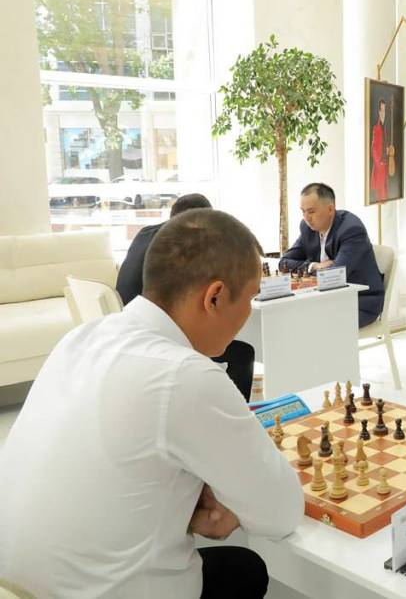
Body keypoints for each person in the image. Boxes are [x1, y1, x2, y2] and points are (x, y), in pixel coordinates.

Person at [0, 209, 304, 598]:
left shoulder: (80, 338)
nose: (247, 313)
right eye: (250, 297)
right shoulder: (184, 375)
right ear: (214, 297)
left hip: (16, 586)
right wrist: (231, 504)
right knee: (247, 570)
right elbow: (281, 513)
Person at [116, 193, 256, 401]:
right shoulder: (180, 250)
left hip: (127, 325)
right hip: (159, 340)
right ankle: (237, 405)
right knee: (243, 353)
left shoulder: (145, 234)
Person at [279, 182, 384, 327]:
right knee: (288, 318)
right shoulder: (307, 228)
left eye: (311, 211)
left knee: (309, 324)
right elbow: (284, 262)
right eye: (303, 211)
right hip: (325, 300)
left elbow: (335, 276)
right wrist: (314, 266)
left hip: (359, 303)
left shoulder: (352, 229)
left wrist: (321, 271)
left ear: (330, 209)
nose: (306, 218)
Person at [370, 99, 389, 202]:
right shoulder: (376, 128)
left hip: (385, 164)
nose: (383, 113)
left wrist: (387, 149)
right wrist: (379, 162)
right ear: (378, 112)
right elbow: (373, 147)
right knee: (380, 193)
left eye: (384, 110)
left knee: (385, 192)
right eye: (381, 110)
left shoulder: (384, 127)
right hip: (380, 165)